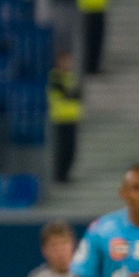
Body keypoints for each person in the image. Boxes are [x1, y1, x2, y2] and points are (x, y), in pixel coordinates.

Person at [47, 50, 83, 183]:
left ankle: (65, 174)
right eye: (65, 61)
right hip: (59, 118)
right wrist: (70, 94)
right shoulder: (54, 77)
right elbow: (63, 94)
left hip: (72, 118)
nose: (68, 64)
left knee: (71, 149)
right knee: (60, 149)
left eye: (69, 61)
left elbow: (75, 96)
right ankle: (58, 175)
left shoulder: (70, 77)